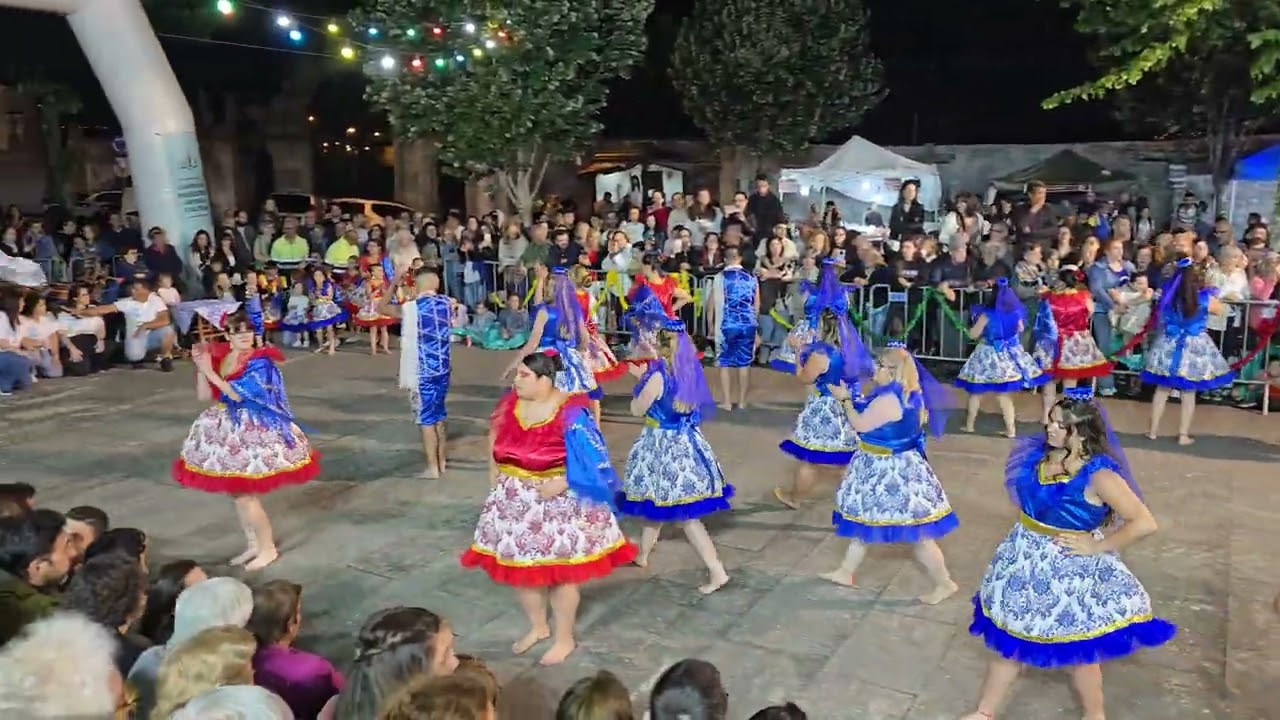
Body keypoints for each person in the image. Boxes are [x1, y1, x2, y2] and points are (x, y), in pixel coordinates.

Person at [962, 387, 1176, 720]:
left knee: (1080, 650)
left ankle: (1095, 715)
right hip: (1023, 558)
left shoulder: (1100, 475)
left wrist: (1097, 545)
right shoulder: (1041, 454)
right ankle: (984, 713)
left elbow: (1144, 522)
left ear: (1081, 432)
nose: (1050, 428)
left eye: (1060, 424)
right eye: (1050, 421)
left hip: (1067, 568)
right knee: (1008, 639)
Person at [461, 350, 636, 666]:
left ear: (545, 380)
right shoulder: (511, 403)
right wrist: (493, 470)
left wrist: (565, 481)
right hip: (514, 501)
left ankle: (564, 637)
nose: (517, 381)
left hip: (558, 504)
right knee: (522, 572)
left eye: (524, 376)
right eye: (517, 375)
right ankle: (538, 627)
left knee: (563, 576)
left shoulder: (571, 412)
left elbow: (595, 459)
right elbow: (495, 434)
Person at [173, 308, 320, 571]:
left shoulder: (260, 361)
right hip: (225, 428)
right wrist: (201, 368)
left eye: (248, 331)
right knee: (237, 494)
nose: (245, 336)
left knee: (246, 496)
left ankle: (268, 548)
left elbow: (241, 396)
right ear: (227, 335)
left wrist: (210, 371)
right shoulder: (225, 356)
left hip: (253, 427)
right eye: (238, 332)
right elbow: (205, 395)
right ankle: (253, 544)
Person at [824, 341, 959, 605]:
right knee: (865, 521)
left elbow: (860, 425)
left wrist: (845, 401)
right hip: (899, 465)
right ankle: (845, 571)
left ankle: (944, 583)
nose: (874, 370)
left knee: (918, 535)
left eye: (879, 366)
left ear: (892, 370)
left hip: (888, 472)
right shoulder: (911, 394)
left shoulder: (888, 399)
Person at [619, 318, 732, 594]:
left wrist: (640, 381)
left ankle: (717, 570)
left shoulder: (659, 376)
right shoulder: (690, 372)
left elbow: (637, 409)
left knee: (685, 516)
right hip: (686, 444)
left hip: (659, 446)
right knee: (655, 502)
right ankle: (643, 554)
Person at [774, 260, 871, 509]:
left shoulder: (822, 354)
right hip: (847, 404)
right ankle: (856, 500)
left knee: (810, 458)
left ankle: (795, 498)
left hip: (824, 410)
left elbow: (803, 377)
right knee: (841, 461)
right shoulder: (849, 350)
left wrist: (797, 353)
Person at [1142, 257, 1235, 444]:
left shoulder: (1168, 297)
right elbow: (1223, 310)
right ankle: (1183, 435)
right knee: (1188, 392)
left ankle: (1152, 431)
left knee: (1162, 389)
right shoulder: (1204, 298)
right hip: (1194, 347)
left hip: (1168, 343)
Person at [382, 269, 455, 478]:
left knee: (426, 419)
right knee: (439, 416)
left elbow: (382, 307)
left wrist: (394, 283)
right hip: (443, 368)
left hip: (422, 371)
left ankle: (432, 468)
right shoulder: (446, 304)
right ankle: (441, 462)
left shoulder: (412, 308)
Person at [955, 278, 1051, 437]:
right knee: (1004, 397)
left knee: (976, 393)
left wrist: (973, 330)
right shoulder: (1016, 313)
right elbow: (1020, 329)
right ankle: (1011, 430)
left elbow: (973, 334)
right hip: (1007, 356)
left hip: (986, 354)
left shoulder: (986, 314)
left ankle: (970, 425)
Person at [1032, 265, 1113, 423]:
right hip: (1076, 342)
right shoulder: (1084, 296)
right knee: (1070, 381)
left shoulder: (1048, 296)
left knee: (1049, 382)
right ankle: (1065, 417)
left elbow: (1042, 318)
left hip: (1052, 341)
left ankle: (1046, 416)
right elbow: (1090, 313)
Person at [504, 267, 598, 398]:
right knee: (570, 402)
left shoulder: (545, 312)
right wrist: (577, 353)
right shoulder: (574, 312)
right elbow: (585, 339)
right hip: (570, 358)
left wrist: (512, 366)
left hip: (545, 358)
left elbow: (531, 344)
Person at [72, 278, 177, 371]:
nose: (132, 291)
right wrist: (80, 312)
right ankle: (138, 355)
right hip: (136, 338)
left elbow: (165, 320)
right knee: (135, 356)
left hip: (150, 336)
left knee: (168, 330)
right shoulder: (127, 303)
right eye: (132, 289)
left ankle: (166, 358)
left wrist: (145, 325)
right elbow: (102, 310)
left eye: (136, 289)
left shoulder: (156, 300)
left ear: (145, 290)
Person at [708, 246, 759, 410]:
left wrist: (710, 324)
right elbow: (756, 303)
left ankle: (727, 402)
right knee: (744, 363)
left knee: (724, 362)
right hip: (747, 323)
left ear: (725, 259)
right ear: (740, 258)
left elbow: (712, 304)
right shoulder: (751, 277)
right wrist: (754, 322)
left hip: (726, 324)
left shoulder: (720, 277)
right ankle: (743, 401)